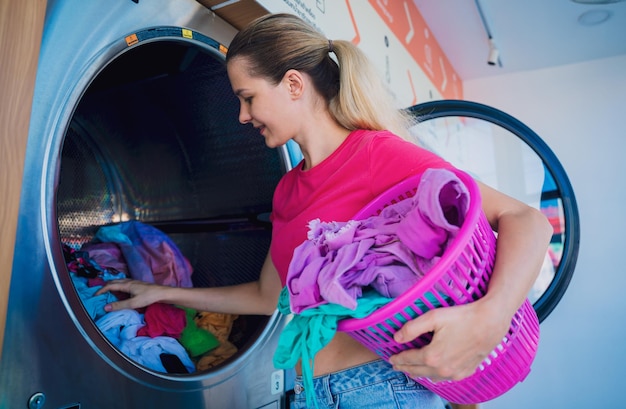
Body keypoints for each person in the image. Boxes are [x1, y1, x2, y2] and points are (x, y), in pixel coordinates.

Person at [97, 13, 553, 409]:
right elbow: (264, 296)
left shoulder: (375, 154)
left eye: (248, 97)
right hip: (311, 392)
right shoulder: (287, 191)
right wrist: (159, 294)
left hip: (379, 390)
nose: (240, 115)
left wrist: (491, 317)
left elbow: (524, 220)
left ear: (293, 84)